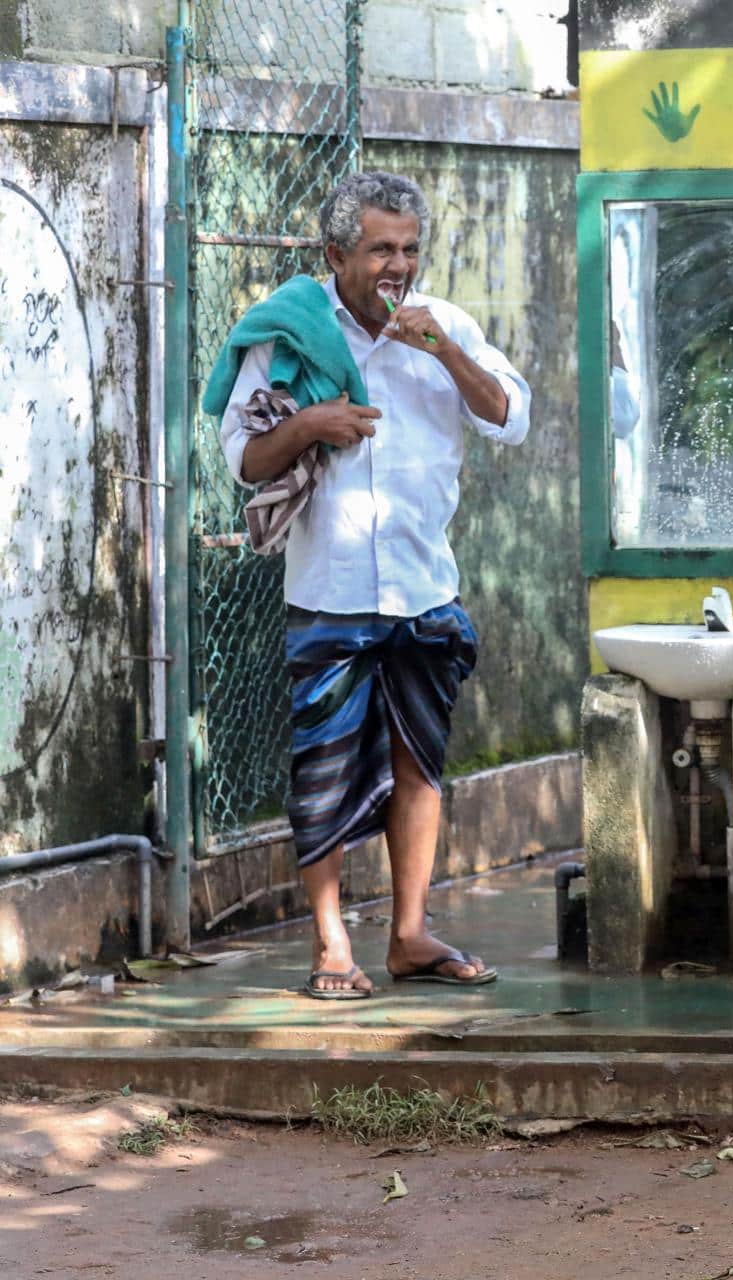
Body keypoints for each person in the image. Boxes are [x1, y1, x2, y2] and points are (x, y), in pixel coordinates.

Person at [211, 171, 530, 999]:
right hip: (330, 593)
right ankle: (329, 946)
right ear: (335, 253)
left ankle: (410, 934)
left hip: (426, 590)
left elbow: (510, 416)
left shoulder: (445, 324)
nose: (399, 266)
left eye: (410, 249)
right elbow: (242, 458)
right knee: (323, 770)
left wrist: (447, 352)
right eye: (381, 249)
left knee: (419, 765)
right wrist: (311, 423)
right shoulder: (291, 335)